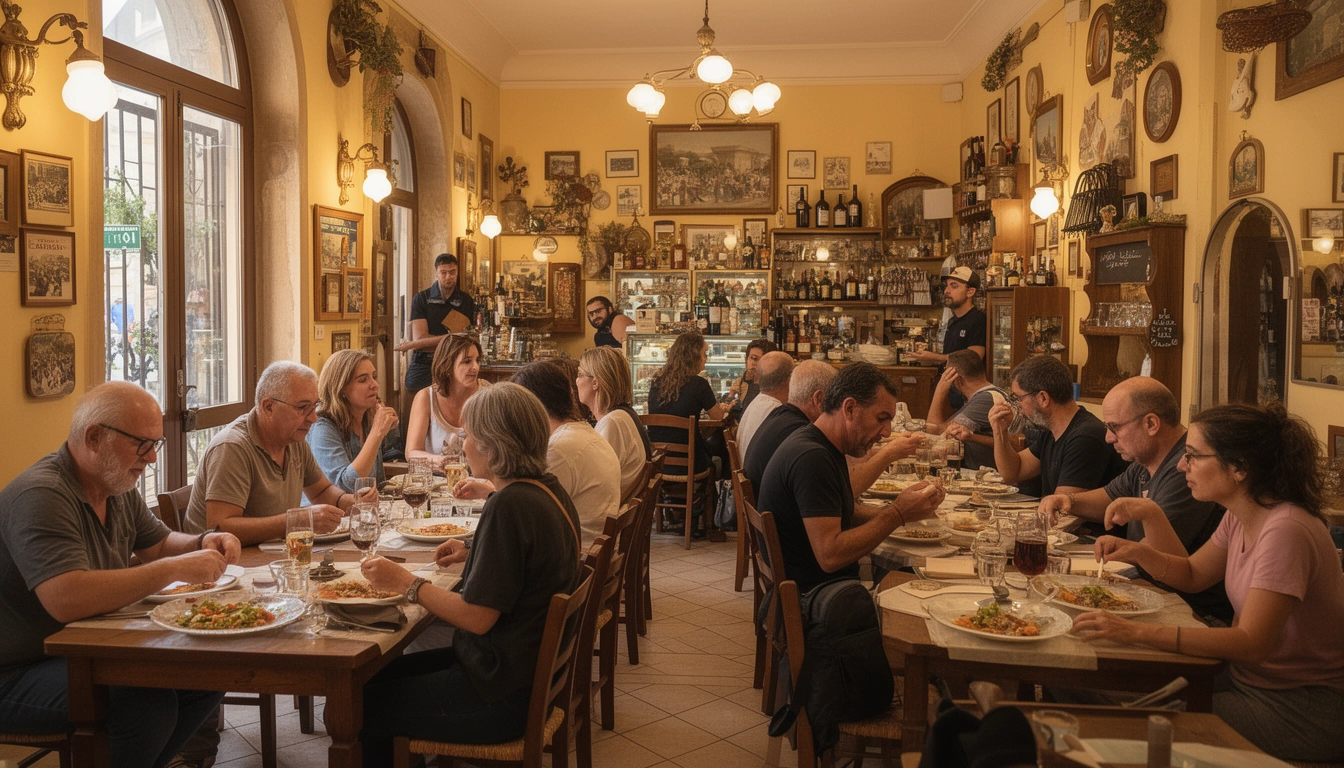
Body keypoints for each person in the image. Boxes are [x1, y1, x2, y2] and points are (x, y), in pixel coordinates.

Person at [1077, 403, 1344, 762]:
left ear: (1239, 468)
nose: (1181, 465)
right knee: (1089, 681)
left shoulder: (1286, 530)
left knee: (1134, 725)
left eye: (1193, 456)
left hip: (1298, 704)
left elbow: (1252, 643)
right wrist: (1138, 553)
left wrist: (1133, 632)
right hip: (1245, 679)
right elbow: (1192, 575)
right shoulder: (1242, 514)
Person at [0, 382, 239, 768]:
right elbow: (66, 598)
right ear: (95, 437)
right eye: (142, 444)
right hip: (16, 669)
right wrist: (174, 569)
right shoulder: (41, 495)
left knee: (207, 673)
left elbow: (158, 544)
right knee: (144, 705)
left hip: (79, 649)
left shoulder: (114, 482)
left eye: (156, 444)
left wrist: (204, 541)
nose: (152, 458)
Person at [357, 383, 582, 768]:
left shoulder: (509, 506)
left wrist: (407, 583)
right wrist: (473, 551)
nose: (463, 446)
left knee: (360, 706)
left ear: (493, 444)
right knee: (372, 678)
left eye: (469, 436)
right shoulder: (546, 491)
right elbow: (526, 568)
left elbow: (477, 618)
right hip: (520, 679)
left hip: (497, 694)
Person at [1038, 377, 1230, 622]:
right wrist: (1068, 501)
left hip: (1188, 607)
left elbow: (1166, 562)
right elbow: (1109, 497)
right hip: (1156, 587)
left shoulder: (1186, 474)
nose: (1108, 438)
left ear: (1151, 423)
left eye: (1114, 427)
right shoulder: (1144, 461)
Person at [756, 363, 946, 593]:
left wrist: (910, 512)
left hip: (822, 594)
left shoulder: (820, 444)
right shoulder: (812, 457)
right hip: (817, 604)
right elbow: (830, 555)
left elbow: (843, 511)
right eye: (881, 418)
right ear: (849, 408)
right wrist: (897, 514)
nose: (887, 431)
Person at [183, 361, 368, 544]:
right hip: (224, 564)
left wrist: (351, 502)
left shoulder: (293, 439)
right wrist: (298, 520)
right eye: (303, 408)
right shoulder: (232, 447)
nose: (313, 418)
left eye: (315, 406)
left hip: (269, 555)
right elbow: (220, 527)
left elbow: (321, 491)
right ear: (268, 407)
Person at [456, 361, 621, 546]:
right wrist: (490, 493)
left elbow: (523, 520)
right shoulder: (579, 433)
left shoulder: (558, 449)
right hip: (587, 554)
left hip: (578, 557)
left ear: (531, 407)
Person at [988, 355, 1127, 498]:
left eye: (1019, 398)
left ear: (1043, 398)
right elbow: (1013, 472)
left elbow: (1063, 508)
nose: (1017, 405)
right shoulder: (1052, 431)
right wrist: (1000, 432)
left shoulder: (1085, 437)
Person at [307, 349, 400, 492]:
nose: (374, 384)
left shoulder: (367, 419)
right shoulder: (323, 426)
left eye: (374, 376)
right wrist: (377, 433)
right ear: (341, 388)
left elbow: (378, 482)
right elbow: (346, 487)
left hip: (364, 511)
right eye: (363, 379)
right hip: (328, 512)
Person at [645, 332, 728, 476]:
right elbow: (719, 417)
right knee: (720, 450)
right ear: (693, 357)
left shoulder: (656, 382)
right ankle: (718, 496)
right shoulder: (699, 384)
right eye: (704, 354)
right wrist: (726, 409)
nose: (706, 358)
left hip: (659, 463)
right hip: (691, 465)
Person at [904, 266, 986, 410]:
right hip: (952, 387)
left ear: (970, 291)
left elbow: (974, 356)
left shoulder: (977, 320)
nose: (946, 291)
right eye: (947, 286)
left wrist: (934, 357)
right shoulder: (953, 321)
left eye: (953, 286)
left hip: (966, 391)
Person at [397, 254, 478, 397]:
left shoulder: (466, 301)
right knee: (413, 384)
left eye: (452, 272)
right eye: (443, 272)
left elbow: (467, 340)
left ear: (457, 272)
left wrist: (424, 342)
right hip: (426, 360)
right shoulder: (421, 298)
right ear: (436, 273)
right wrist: (454, 337)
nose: (448, 277)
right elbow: (420, 341)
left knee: (465, 390)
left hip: (455, 359)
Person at [576, 346, 652, 499]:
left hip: (610, 516)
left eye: (579, 374)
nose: (576, 381)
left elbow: (597, 483)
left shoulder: (613, 422)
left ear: (595, 383)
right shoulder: (622, 415)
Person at [404, 334, 486, 468]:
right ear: (447, 365)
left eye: (477, 360)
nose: (475, 367)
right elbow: (411, 453)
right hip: (438, 481)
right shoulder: (426, 397)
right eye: (467, 361)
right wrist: (437, 460)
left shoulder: (488, 395)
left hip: (481, 482)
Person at [736, 351, 793, 457]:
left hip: (748, 471)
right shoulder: (778, 412)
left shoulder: (755, 404)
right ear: (790, 379)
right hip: (758, 474)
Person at [726, 338, 778, 423]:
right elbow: (730, 399)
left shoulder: (774, 387)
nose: (753, 363)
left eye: (757, 359)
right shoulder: (741, 382)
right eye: (751, 358)